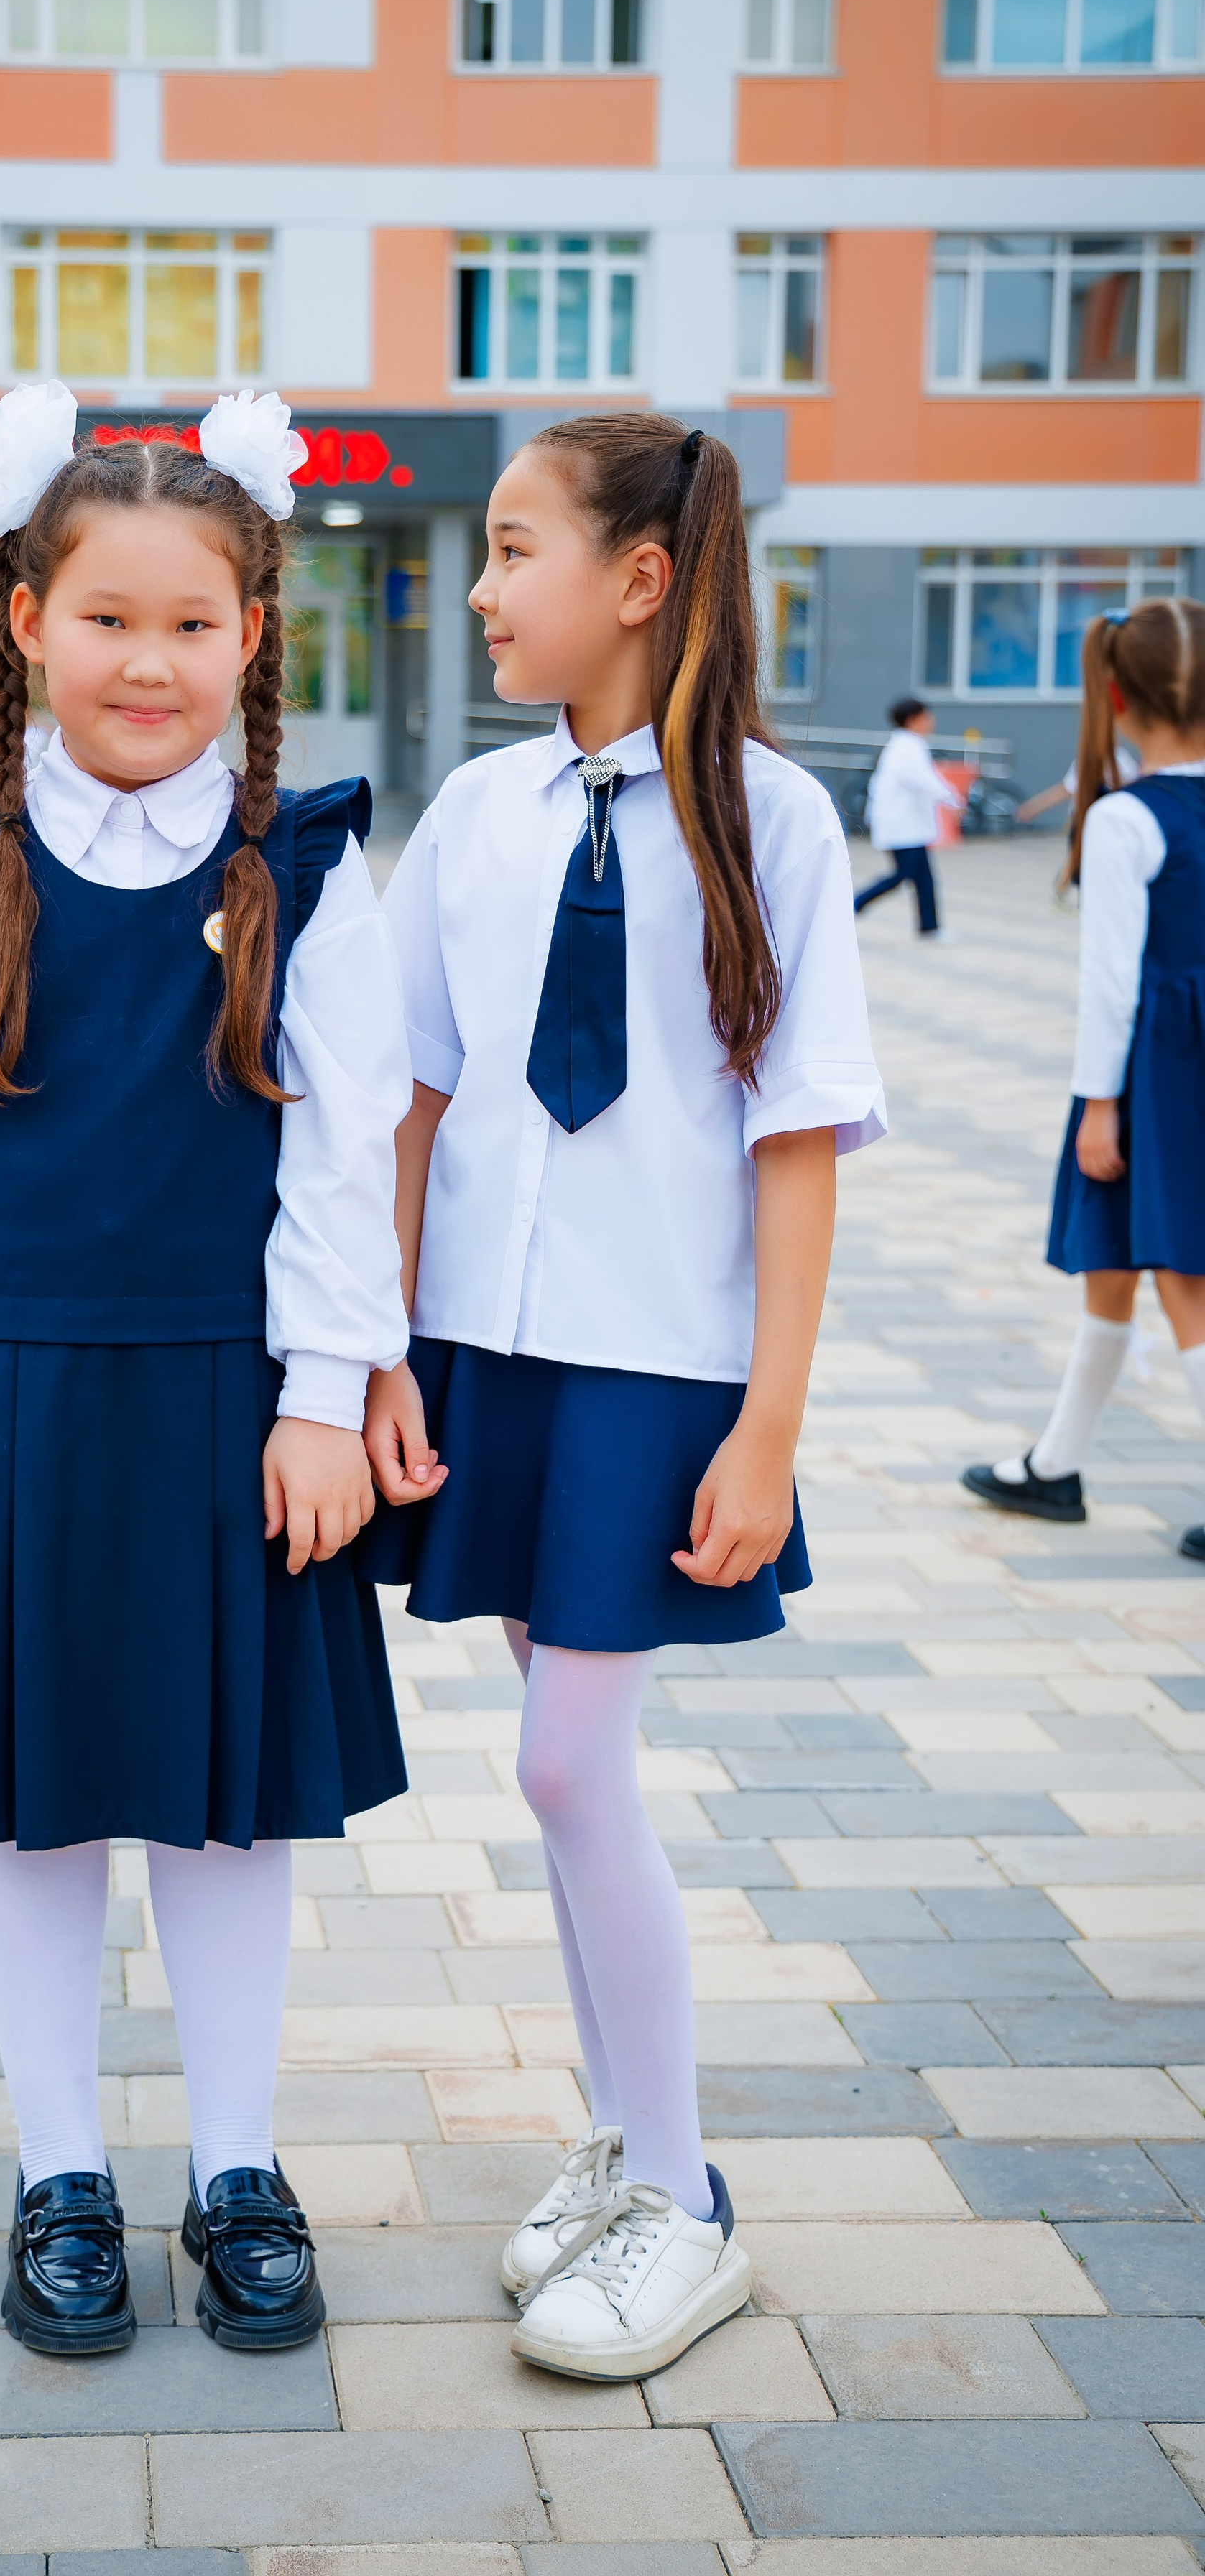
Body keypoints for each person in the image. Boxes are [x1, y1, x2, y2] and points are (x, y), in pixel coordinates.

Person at [0, 384, 412, 2359]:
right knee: (36, 1809)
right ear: (27, 620)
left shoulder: (301, 871)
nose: (153, 659)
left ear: (253, 637)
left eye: (196, 621)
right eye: (111, 615)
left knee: (230, 1809)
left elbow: (345, 1141)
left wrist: (327, 1391)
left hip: (234, 1408)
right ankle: (62, 2169)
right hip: (13, 1407)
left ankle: (236, 2168)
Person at [361, 414, 885, 2382]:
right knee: (563, 1768)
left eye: (513, 552)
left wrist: (771, 1426)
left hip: (664, 1362)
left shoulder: (780, 819)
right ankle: (624, 2142)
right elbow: (413, 1096)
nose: (485, 590)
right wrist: (390, 1354)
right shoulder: (482, 819)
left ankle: (682, 2191)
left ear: (637, 581)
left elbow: (799, 1139)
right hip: (496, 1346)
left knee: (569, 1769)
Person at [963, 598, 1205, 1562]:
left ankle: (1056, 1467)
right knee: (1120, 1262)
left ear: (1113, 691)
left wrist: (1099, 1106)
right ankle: (1054, 1464)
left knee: (1185, 1275)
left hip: (1157, 1072)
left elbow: (1112, 986)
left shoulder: (1124, 820)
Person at [851, 698, 961, 939]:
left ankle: (930, 927)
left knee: (923, 877)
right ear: (913, 720)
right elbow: (923, 781)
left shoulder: (907, 745)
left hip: (907, 826)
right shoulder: (907, 748)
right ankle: (854, 904)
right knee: (903, 874)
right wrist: (953, 801)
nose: (931, 722)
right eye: (926, 717)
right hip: (901, 826)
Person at [1015, 734, 1141, 831]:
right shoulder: (1122, 759)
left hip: (1090, 823)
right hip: (1107, 823)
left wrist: (1032, 809)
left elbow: (1065, 790)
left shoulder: (1100, 759)